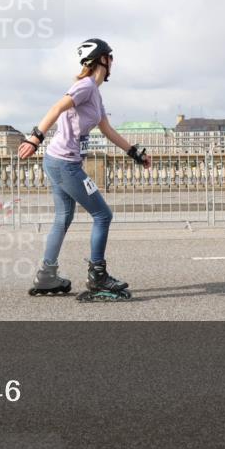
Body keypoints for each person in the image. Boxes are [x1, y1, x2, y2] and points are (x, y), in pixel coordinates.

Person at [18, 39, 151, 302]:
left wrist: (134, 152)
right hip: (65, 163)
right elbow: (57, 108)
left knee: (62, 218)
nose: (113, 62)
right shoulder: (85, 86)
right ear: (103, 59)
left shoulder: (95, 94)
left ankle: (47, 275)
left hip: (59, 161)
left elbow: (107, 130)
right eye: (111, 57)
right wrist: (35, 137)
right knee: (103, 214)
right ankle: (98, 276)